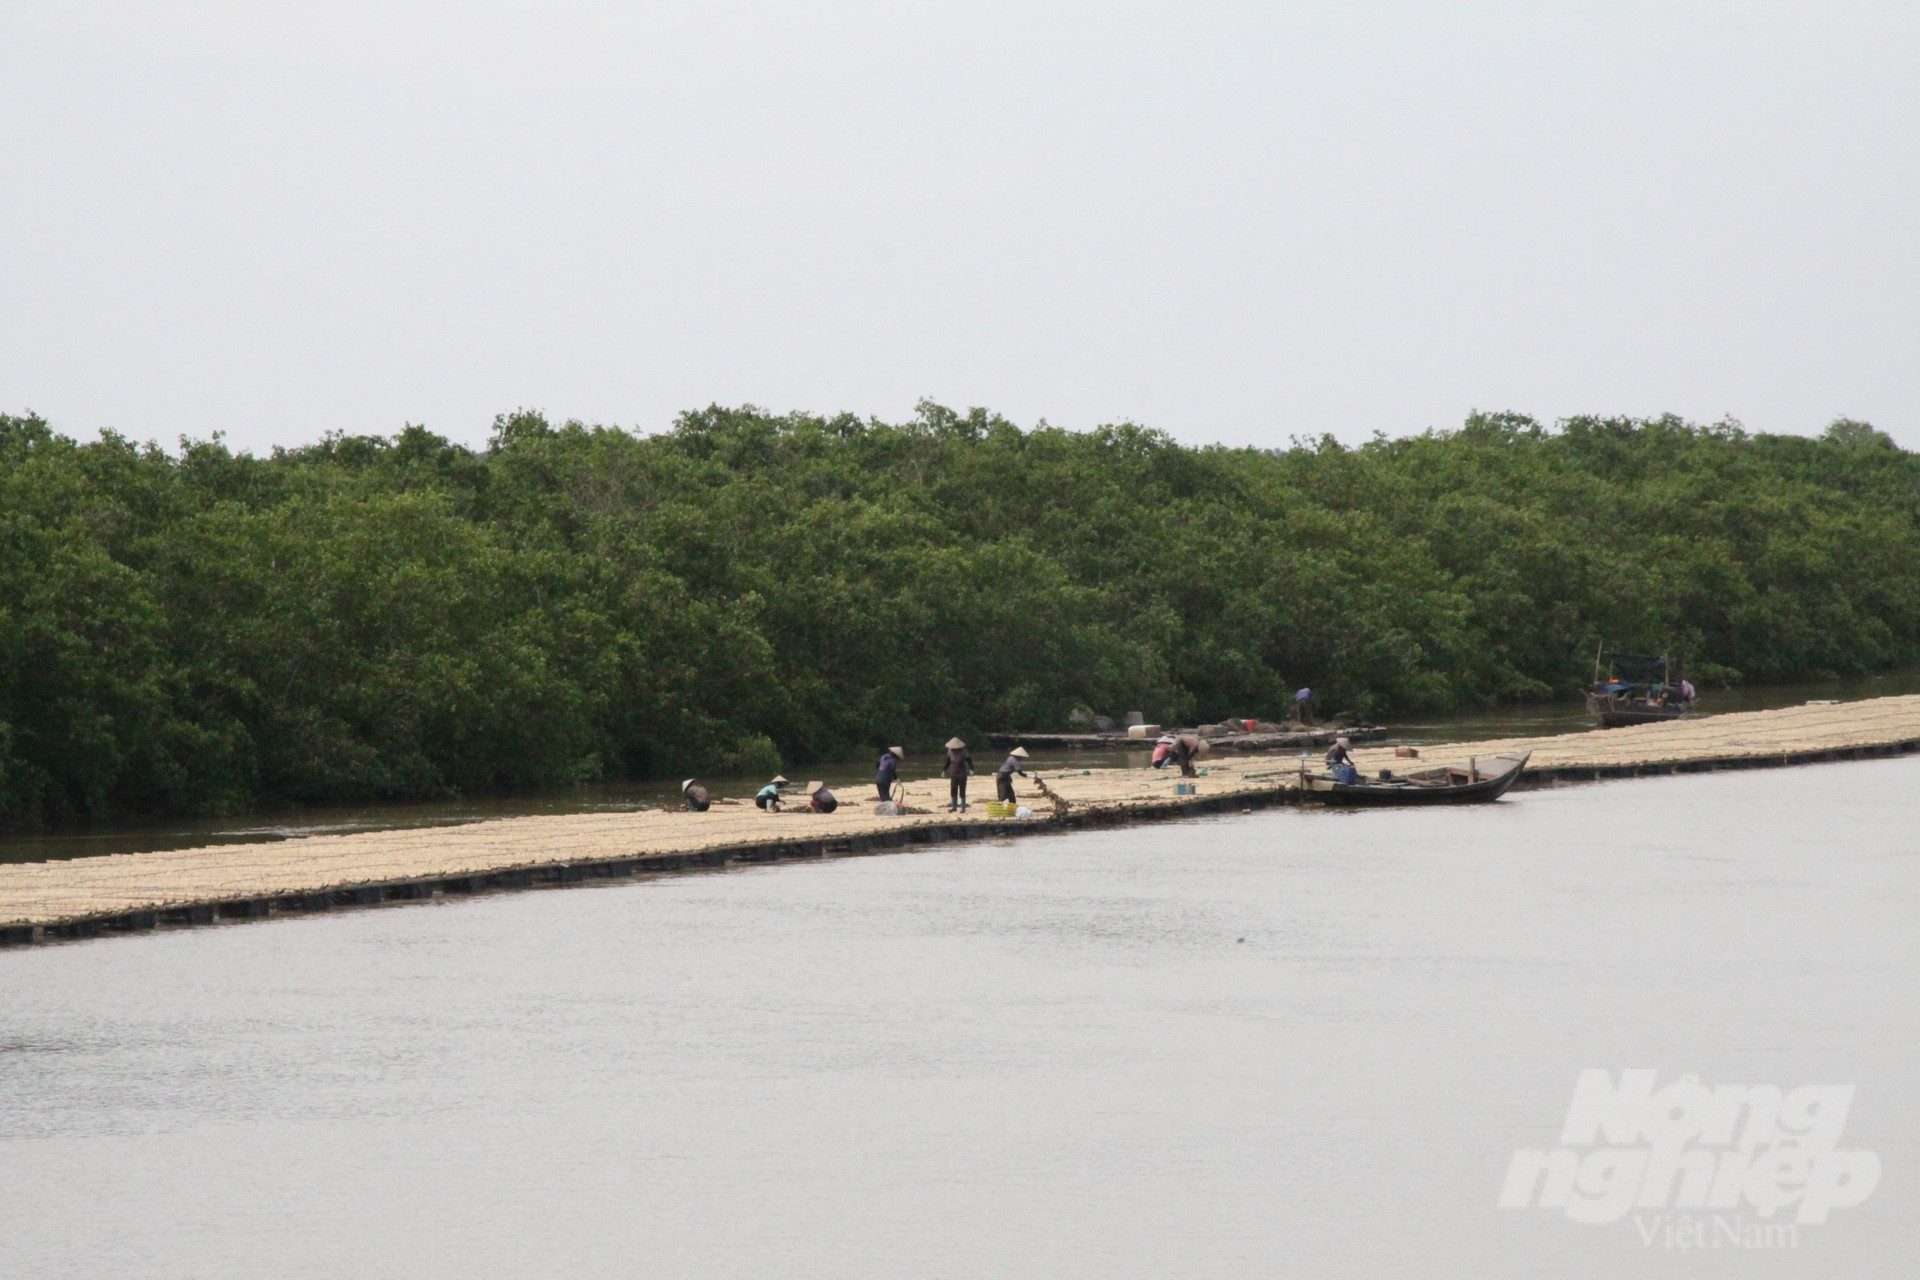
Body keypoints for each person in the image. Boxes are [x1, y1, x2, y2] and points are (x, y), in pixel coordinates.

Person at [944, 737, 973, 811]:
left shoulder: (963, 751)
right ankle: (954, 807)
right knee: (953, 790)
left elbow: (969, 760)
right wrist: (944, 770)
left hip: (962, 774)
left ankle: (963, 807)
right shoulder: (950, 751)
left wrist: (971, 769)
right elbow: (948, 761)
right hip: (953, 774)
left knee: (962, 790)